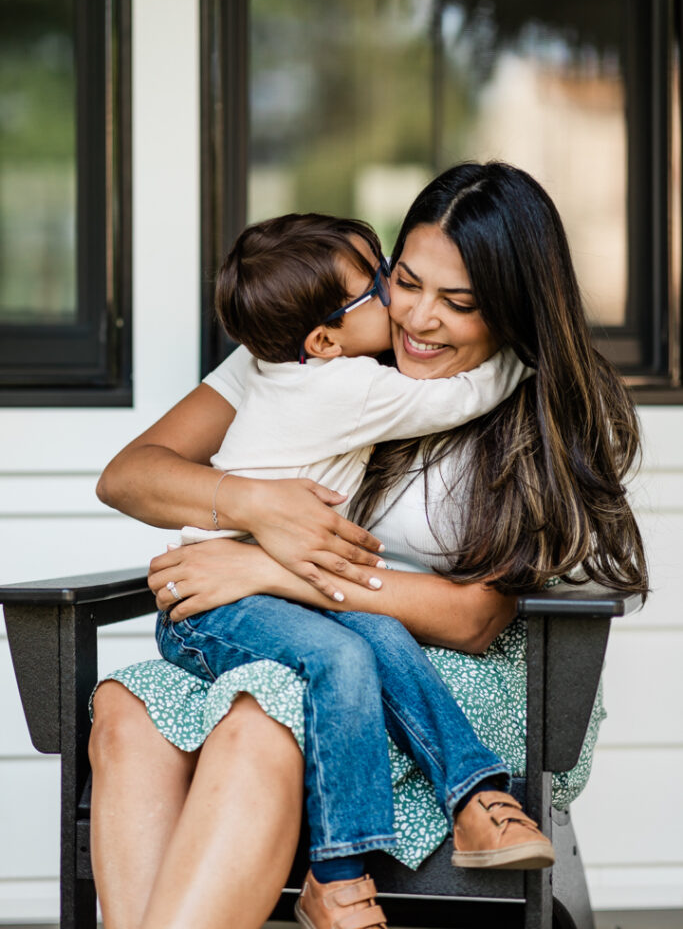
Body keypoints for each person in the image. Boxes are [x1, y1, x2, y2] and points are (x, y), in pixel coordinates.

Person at [91, 162, 646, 929]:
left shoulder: (531, 409)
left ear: (513, 308)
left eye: (459, 303)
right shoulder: (320, 348)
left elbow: (472, 620)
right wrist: (258, 505)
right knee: (127, 708)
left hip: (450, 674)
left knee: (266, 712)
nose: (417, 319)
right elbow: (130, 476)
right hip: (294, 633)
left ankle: (408, 834)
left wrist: (270, 567)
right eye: (404, 282)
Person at [158, 210, 545, 906]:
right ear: (324, 338)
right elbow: (465, 394)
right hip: (221, 602)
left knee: (378, 635)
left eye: (381, 269)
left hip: (280, 593)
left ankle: (472, 795)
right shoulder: (340, 385)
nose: (396, 303)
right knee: (345, 657)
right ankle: (337, 879)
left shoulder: (307, 363)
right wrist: (529, 350)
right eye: (382, 285)